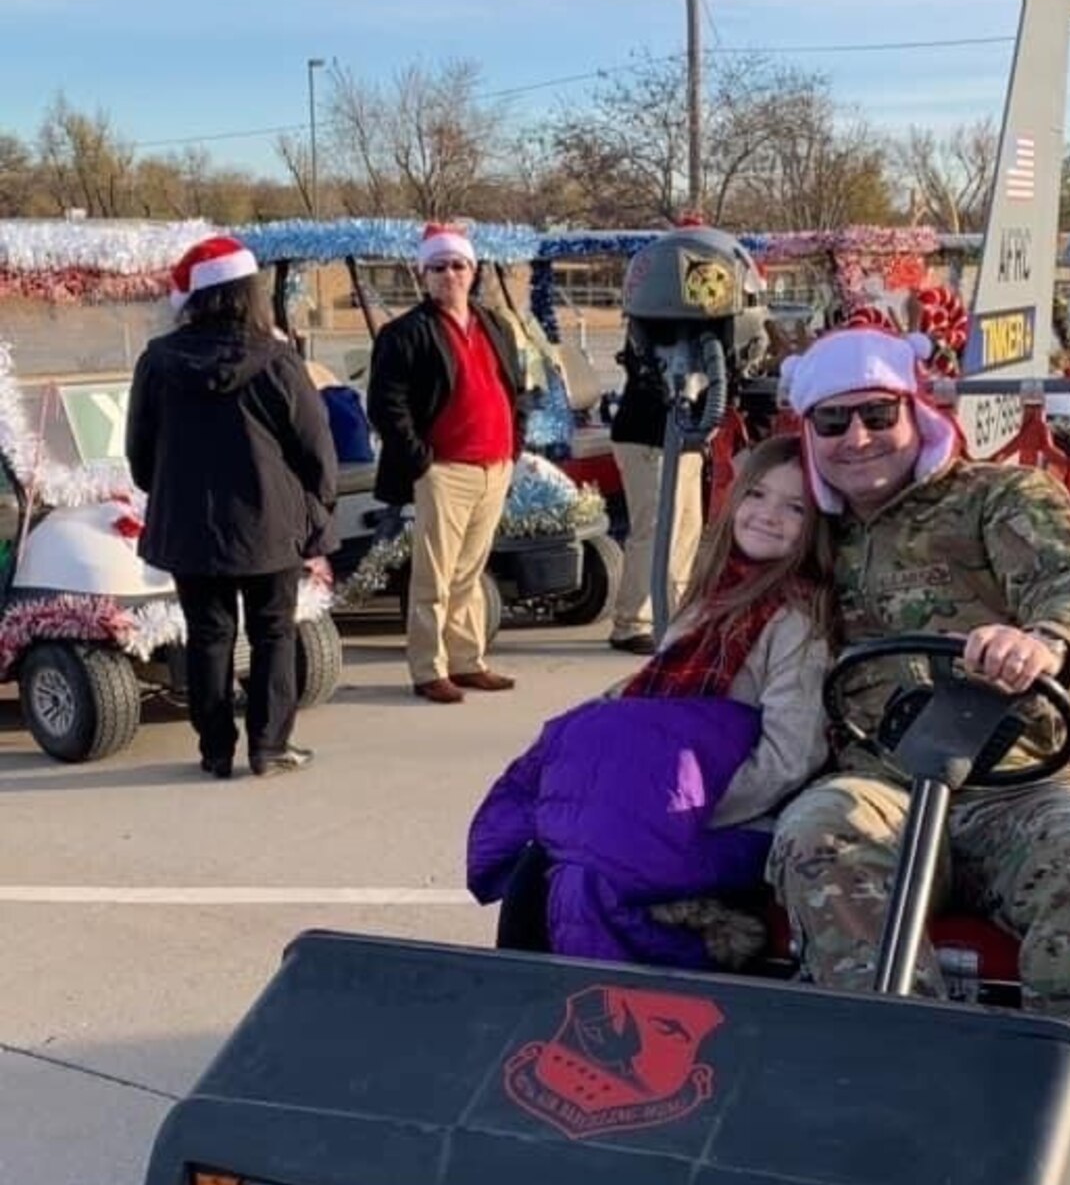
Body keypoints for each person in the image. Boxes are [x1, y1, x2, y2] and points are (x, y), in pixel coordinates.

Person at [767, 327, 1070, 1109]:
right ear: (808, 434)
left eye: (879, 413)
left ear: (914, 410)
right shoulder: (805, 527)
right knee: (815, 838)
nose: (858, 438)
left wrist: (1045, 642)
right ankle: (908, 1104)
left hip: (1023, 782)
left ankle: (1056, 1127)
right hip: (879, 781)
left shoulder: (999, 497)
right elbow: (725, 604)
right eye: (832, 421)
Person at [467, 436, 833, 968]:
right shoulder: (711, 598)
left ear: (816, 526)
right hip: (653, 805)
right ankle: (524, 1002)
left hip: (726, 820)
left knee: (590, 879)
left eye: (795, 507)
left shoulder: (796, 621)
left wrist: (674, 809)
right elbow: (648, 694)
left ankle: (605, 1007)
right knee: (536, 864)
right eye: (757, 496)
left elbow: (789, 755)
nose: (768, 515)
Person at [126, 234, 336, 779]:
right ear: (251, 292)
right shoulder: (278, 360)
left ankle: (215, 749)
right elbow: (315, 448)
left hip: (191, 524)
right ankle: (269, 745)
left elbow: (139, 448)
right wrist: (316, 507)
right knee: (273, 632)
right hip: (271, 521)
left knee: (208, 634)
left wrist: (165, 490)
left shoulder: (157, 361)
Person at [366, 223, 519, 703]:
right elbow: (386, 406)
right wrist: (422, 463)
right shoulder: (405, 333)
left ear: (473, 271)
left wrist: (514, 451)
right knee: (434, 574)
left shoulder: (494, 324)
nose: (449, 275)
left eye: (458, 265)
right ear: (422, 274)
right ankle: (428, 667)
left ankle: (466, 659)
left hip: (494, 466)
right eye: (438, 267)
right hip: (444, 470)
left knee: (469, 572)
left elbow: (515, 387)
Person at [606, 332, 706, 655]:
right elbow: (651, 370)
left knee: (686, 530)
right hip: (649, 437)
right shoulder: (654, 315)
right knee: (655, 530)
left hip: (688, 441)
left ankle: (672, 612)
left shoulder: (711, 325)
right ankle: (633, 621)